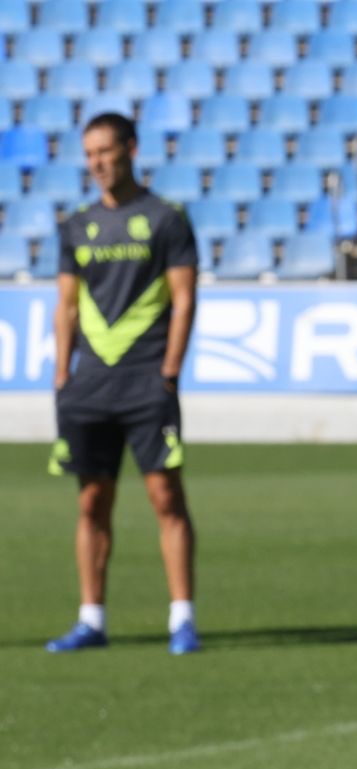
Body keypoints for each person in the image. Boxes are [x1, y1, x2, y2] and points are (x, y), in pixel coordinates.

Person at [46, 111, 200, 655]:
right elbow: (66, 306)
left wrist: (169, 371)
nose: (98, 164)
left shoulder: (166, 220)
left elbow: (184, 299)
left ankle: (182, 618)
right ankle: (92, 619)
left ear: (132, 150)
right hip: (89, 386)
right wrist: (63, 375)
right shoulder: (76, 225)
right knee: (91, 501)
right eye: (89, 155)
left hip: (145, 381)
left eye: (106, 152)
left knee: (165, 496)